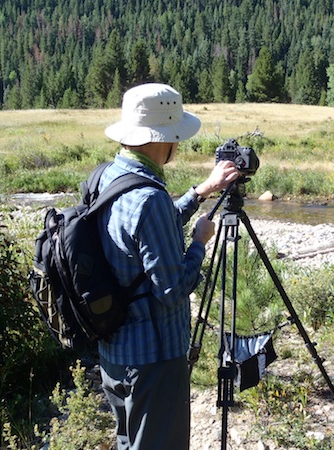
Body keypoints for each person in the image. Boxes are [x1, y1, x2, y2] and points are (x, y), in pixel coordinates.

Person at [97, 83, 240, 450]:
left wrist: (200, 192)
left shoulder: (109, 178)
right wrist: (198, 246)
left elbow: (142, 237)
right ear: (167, 137)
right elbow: (172, 289)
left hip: (115, 353)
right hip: (153, 362)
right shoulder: (150, 198)